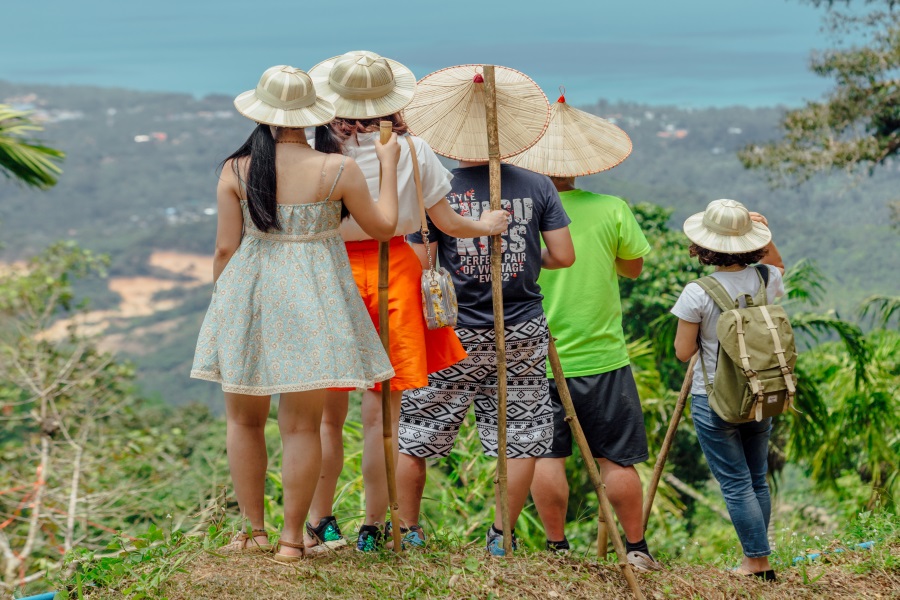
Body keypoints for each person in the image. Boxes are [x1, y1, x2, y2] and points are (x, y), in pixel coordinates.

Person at [190, 65, 401, 562]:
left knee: (243, 423)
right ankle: (291, 541)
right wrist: (387, 163)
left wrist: (224, 306)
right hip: (316, 297)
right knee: (302, 428)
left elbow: (225, 249)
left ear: (260, 113)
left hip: (250, 293)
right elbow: (385, 226)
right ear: (312, 115)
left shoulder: (235, 169)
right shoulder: (337, 169)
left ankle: (254, 532)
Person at [304, 51, 510, 552]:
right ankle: (375, 528)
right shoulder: (413, 148)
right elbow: (447, 221)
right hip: (395, 270)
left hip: (331, 272)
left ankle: (319, 522)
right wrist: (488, 224)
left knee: (327, 417)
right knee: (382, 416)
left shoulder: (317, 148)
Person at [507, 92, 659, 569]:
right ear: (583, 164)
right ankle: (635, 550)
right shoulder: (611, 208)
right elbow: (633, 269)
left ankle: (557, 549)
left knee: (545, 455)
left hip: (533, 349)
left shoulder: (517, 212)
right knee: (617, 458)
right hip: (603, 355)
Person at [396, 158, 575, 555]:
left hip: (452, 329)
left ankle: (409, 531)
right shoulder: (539, 184)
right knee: (522, 434)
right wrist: (526, 257)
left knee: (418, 429)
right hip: (522, 328)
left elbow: (418, 263)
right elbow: (563, 255)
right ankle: (500, 537)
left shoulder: (435, 186)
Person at [671, 199, 785, 581]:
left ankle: (757, 563)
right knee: (756, 478)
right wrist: (765, 235)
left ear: (704, 245)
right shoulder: (767, 278)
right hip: (762, 392)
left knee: (735, 483)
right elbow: (779, 266)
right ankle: (757, 557)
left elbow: (683, 352)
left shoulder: (697, 292)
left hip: (714, 400)